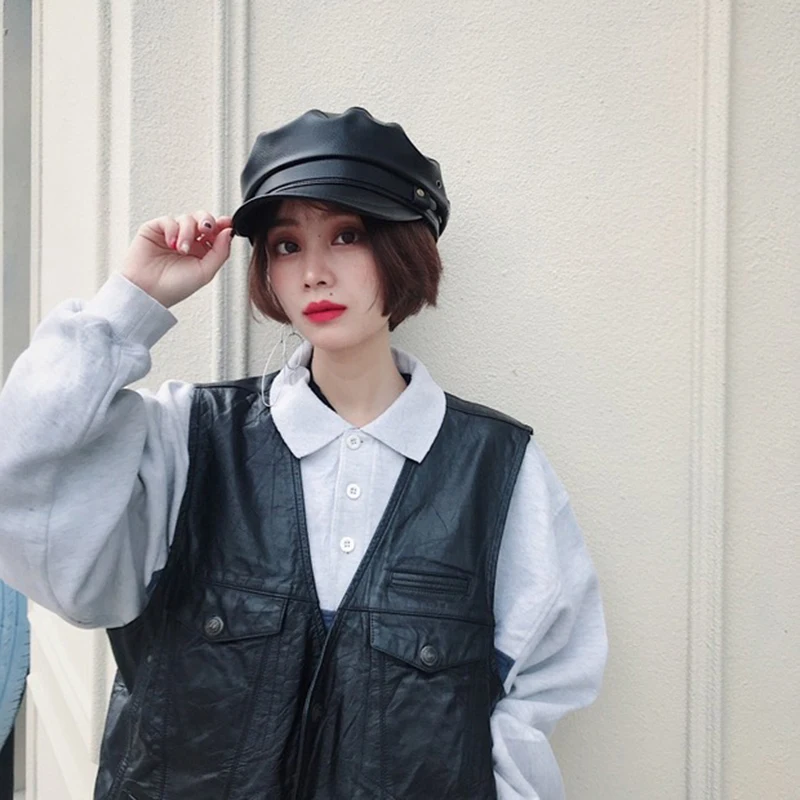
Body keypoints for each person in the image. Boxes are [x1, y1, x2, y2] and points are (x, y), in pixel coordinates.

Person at [0, 107, 607, 799]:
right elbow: (23, 480)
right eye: (287, 245)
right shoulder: (189, 435)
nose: (314, 272)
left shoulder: (496, 468)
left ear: (406, 249)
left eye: (347, 235)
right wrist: (129, 304)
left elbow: (540, 689)